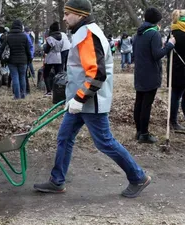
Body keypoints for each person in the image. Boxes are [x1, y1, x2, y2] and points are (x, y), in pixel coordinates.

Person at [34, 0, 151, 198]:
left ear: (80, 15)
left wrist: (79, 99)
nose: (64, 18)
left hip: (91, 101)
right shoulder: (83, 32)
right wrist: (74, 99)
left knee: (105, 142)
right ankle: (57, 180)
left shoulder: (88, 34)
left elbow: (97, 73)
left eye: (67, 14)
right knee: (64, 137)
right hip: (80, 102)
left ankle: (138, 177)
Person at [133, 7, 175, 144]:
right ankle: (144, 134)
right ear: (158, 21)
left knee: (139, 102)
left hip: (139, 72)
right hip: (151, 74)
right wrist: (169, 45)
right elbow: (157, 55)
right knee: (146, 105)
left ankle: (139, 131)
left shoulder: (138, 33)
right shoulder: (154, 34)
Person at [168, 9, 185, 131]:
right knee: (177, 95)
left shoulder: (173, 31)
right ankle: (173, 121)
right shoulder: (184, 34)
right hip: (181, 70)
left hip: (178, 68)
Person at [0, 20, 31, 99]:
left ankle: (17, 95)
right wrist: (29, 59)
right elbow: (28, 49)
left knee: (15, 77)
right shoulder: (24, 36)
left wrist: (1, 58)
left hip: (12, 60)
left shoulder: (8, 36)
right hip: (23, 60)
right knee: (22, 77)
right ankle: (23, 94)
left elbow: (2, 48)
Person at [43, 22, 63, 96]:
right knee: (58, 75)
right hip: (59, 56)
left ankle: (49, 91)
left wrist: (44, 47)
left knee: (46, 74)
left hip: (51, 57)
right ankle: (58, 90)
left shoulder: (50, 38)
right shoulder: (61, 37)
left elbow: (47, 50)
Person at [24, 26, 35, 94]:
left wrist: (30, 56)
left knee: (23, 74)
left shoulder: (27, 36)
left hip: (26, 56)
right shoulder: (29, 36)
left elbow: (30, 46)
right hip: (27, 56)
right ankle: (26, 89)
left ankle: (26, 89)